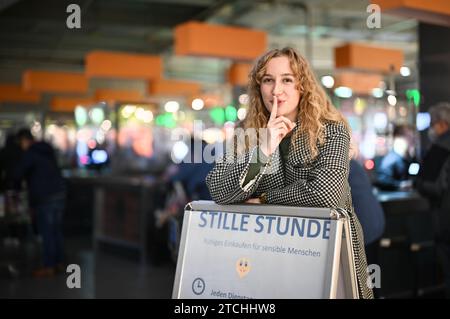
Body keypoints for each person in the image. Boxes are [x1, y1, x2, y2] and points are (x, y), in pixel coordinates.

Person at [206, 47, 373, 299]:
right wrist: (264, 149)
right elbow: (218, 189)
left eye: (287, 79)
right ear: (258, 87)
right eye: (268, 80)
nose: (276, 90)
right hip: (269, 255)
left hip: (326, 253)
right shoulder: (246, 132)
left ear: (302, 85)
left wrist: (263, 200)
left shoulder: (331, 130)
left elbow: (326, 196)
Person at [14, 128, 66, 277]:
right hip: (59, 193)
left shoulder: (31, 153)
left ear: (24, 140)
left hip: (45, 197)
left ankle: (49, 266)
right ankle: (59, 262)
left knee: (47, 232)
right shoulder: (46, 150)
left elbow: (18, 173)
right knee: (56, 231)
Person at [416, 102, 450, 298]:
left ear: (442, 124)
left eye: (433, 124)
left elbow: (435, 186)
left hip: (445, 223)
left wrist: (418, 184)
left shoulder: (439, 149)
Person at [375, 125, 414, 191]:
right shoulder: (391, 159)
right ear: (398, 138)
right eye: (409, 137)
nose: (411, 140)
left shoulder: (403, 157)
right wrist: (401, 185)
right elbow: (383, 181)